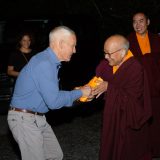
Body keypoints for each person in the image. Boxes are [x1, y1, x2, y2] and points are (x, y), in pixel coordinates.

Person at [7, 26, 91, 160]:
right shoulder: (44, 63)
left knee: (55, 155)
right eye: (73, 46)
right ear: (61, 44)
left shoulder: (49, 61)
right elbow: (54, 102)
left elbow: (51, 94)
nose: (74, 50)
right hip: (24, 119)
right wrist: (80, 93)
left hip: (37, 118)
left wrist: (76, 92)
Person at [91, 34, 152, 160]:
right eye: (104, 52)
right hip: (113, 117)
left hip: (129, 122)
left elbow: (133, 102)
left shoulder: (135, 68)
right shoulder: (108, 64)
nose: (106, 57)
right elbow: (96, 81)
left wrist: (109, 88)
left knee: (126, 152)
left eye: (109, 53)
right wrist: (83, 91)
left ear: (123, 52)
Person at [127, 12, 160, 157]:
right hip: (138, 89)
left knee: (157, 120)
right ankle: (143, 151)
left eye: (141, 21)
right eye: (135, 22)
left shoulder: (156, 39)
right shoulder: (127, 42)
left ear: (148, 22)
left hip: (156, 86)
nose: (138, 25)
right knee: (141, 121)